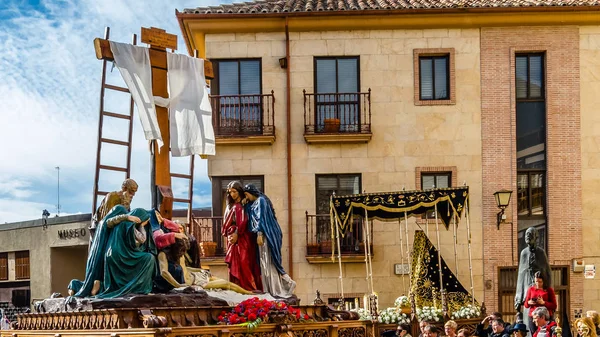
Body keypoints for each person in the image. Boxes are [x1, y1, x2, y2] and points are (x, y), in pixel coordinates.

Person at [244, 184, 296, 298]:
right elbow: (251, 215)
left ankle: (276, 290)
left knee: (269, 262)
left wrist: (259, 233)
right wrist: (245, 204)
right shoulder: (253, 203)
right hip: (262, 234)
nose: (246, 197)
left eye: (247, 195)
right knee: (264, 263)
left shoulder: (261, 201)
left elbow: (262, 218)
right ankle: (268, 290)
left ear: (252, 192)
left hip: (267, 235)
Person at [96, 207, 157, 298]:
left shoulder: (120, 223)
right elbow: (142, 239)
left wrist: (126, 217)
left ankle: (100, 286)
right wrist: (141, 226)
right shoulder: (130, 225)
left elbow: (109, 222)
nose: (147, 223)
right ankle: (141, 289)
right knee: (149, 258)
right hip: (123, 255)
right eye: (146, 221)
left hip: (112, 255)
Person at [222, 181, 262, 292]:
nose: (232, 194)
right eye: (230, 192)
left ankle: (250, 286)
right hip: (235, 239)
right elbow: (227, 224)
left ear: (239, 191)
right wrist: (232, 233)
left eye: (234, 191)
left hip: (245, 237)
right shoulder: (232, 206)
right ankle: (238, 286)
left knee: (245, 261)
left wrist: (237, 232)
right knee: (238, 262)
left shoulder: (245, 205)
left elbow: (247, 221)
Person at [515, 227, 552, 334]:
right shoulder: (524, 253)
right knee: (528, 321)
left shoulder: (541, 253)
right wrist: (518, 296)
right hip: (528, 288)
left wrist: (548, 292)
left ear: (536, 237)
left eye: (530, 234)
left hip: (540, 290)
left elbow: (548, 273)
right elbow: (521, 274)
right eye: (526, 234)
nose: (527, 236)